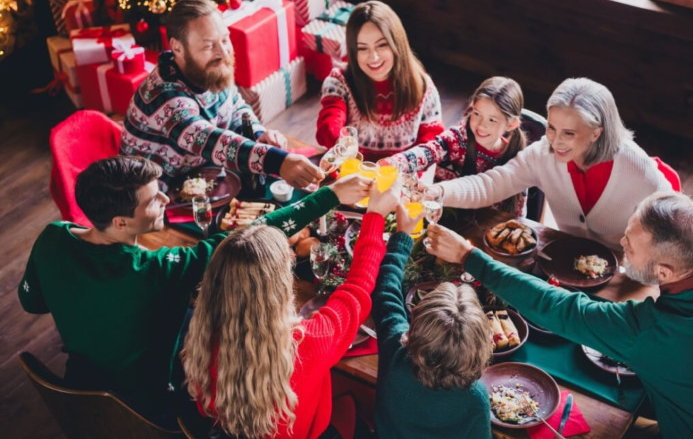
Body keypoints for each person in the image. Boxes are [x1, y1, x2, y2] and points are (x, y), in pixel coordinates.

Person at [426, 191, 693, 439]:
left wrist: (468, 256)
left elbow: (555, 306)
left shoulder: (649, 333)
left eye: (631, 244)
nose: (622, 243)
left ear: (662, 272)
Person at [17, 156, 370, 424]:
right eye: (154, 200)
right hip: (153, 409)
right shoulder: (156, 271)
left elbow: (31, 301)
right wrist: (331, 195)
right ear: (121, 222)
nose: (167, 202)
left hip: (79, 388)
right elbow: (250, 235)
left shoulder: (52, 237)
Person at [182, 179, 401, 439]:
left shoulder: (201, 329)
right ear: (280, 287)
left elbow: (239, 248)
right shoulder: (308, 342)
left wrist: (331, 195)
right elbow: (359, 287)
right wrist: (375, 216)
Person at [435, 77, 672, 249]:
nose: (556, 142)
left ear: (596, 133)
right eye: (551, 128)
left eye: (569, 133)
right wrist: (437, 192)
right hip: (566, 264)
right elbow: (492, 184)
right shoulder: (544, 153)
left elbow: (673, 226)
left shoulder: (635, 165)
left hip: (626, 274)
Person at [121, 0, 323, 190]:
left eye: (225, 40)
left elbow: (236, 107)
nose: (223, 52)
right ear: (177, 47)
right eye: (209, 45)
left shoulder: (208, 69)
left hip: (204, 177)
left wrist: (258, 133)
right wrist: (278, 162)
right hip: (154, 198)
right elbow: (206, 139)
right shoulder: (163, 96)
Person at [372, 203, 492, 438]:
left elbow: (385, 291)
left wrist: (402, 236)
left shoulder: (395, 352)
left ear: (413, 328)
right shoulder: (475, 398)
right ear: (481, 348)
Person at [316, 0, 445, 162]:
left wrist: (402, 166)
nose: (373, 57)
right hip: (351, 173)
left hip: (401, 176)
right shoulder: (339, 80)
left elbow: (432, 142)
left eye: (382, 45)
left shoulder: (424, 87)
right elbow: (329, 124)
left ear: (397, 43)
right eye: (362, 48)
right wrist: (340, 143)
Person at [387, 76, 528, 215]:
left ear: (511, 124)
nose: (481, 125)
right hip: (444, 222)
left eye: (492, 120)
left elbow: (518, 217)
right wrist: (394, 163)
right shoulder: (456, 139)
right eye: (477, 113)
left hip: (487, 234)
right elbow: (427, 152)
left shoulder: (518, 163)